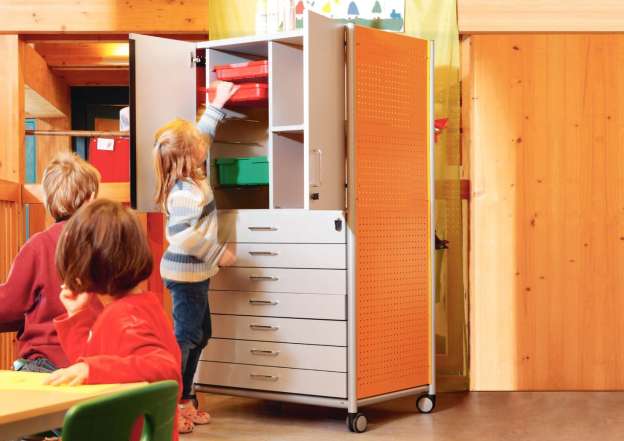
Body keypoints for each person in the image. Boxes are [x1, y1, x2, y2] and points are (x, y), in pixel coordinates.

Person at [46, 199, 183, 439]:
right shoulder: (140, 307)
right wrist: (77, 317)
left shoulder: (126, 318)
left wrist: (92, 369)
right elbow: (88, 361)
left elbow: (166, 368)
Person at [153, 80, 237, 433]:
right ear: (190, 155)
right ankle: (175, 402)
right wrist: (218, 254)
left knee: (200, 335)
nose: (205, 147)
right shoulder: (185, 192)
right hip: (186, 276)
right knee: (186, 338)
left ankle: (186, 396)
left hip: (195, 275)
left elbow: (202, 135)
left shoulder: (192, 176)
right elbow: (182, 234)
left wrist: (217, 103)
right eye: (198, 146)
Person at [0, 152, 100, 373]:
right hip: (93, 361)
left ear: (48, 199)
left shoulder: (39, 246)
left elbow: (7, 307)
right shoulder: (104, 244)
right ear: (91, 198)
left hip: (45, 363)